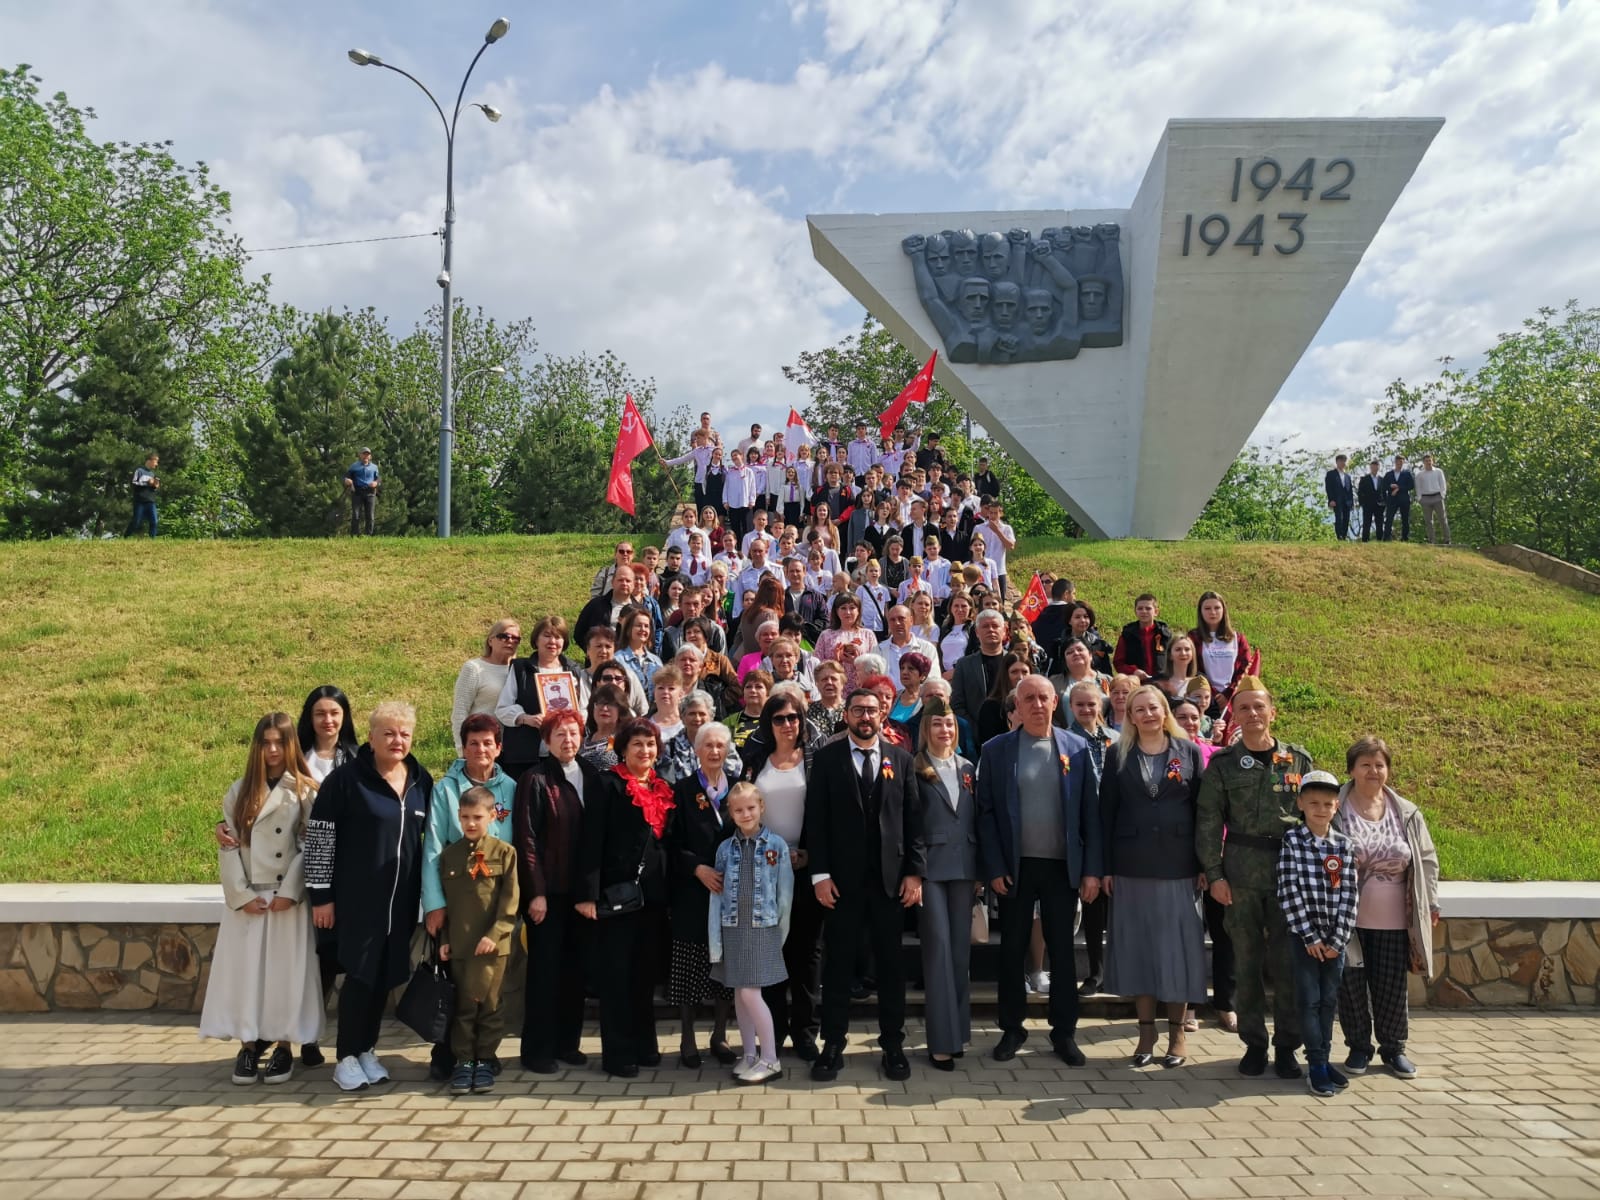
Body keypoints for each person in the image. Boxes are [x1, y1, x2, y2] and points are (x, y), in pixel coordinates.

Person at [306, 701, 433, 1091]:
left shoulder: (420, 780)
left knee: (383, 978)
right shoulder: (346, 781)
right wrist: (321, 897)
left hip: (401, 903)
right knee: (360, 977)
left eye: (405, 734)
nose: (397, 741)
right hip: (356, 902)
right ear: (371, 737)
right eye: (389, 733)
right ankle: (345, 1057)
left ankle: (366, 1050)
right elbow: (320, 840)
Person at [975, 675, 1101, 1066]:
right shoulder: (996, 750)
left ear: (1054, 702)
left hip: (1062, 867)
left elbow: (1090, 813)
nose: (1036, 705)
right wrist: (994, 865)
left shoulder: (1077, 748)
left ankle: (1064, 1033)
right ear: (1017, 705)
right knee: (1012, 950)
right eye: (1028, 698)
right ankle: (1012, 1028)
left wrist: (1092, 871)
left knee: (1062, 952)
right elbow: (985, 814)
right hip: (1015, 868)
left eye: (1043, 697)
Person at [1195, 676, 1314, 1079]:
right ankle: (1254, 1044)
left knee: (1287, 965)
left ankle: (1287, 1046)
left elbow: (1315, 816)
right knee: (1245, 964)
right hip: (1241, 874)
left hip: (1287, 875)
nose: (1252, 714)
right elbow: (1208, 822)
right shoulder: (1223, 764)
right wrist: (1214, 874)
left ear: (1272, 712)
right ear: (1235, 715)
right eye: (1243, 707)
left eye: (1259, 706)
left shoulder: (1298, 761)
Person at [804, 687, 925, 1082]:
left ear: (882, 715)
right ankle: (832, 1044)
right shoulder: (827, 759)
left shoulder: (901, 759)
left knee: (890, 966)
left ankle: (893, 1044)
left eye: (872, 710)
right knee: (838, 965)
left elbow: (913, 820)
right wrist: (820, 875)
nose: (865, 717)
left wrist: (914, 872)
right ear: (847, 715)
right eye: (858, 710)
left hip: (891, 883)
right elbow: (816, 820)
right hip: (841, 883)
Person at [199, 713, 322, 1085]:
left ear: (291, 745)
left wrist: (290, 892)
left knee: (285, 975)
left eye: (279, 742)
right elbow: (229, 846)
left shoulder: (306, 791)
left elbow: (310, 845)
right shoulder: (239, 791)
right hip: (250, 898)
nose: (272, 750)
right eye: (265, 742)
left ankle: (284, 1046)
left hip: (286, 899)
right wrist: (241, 895)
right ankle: (248, 1046)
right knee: (246, 975)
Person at [1098, 687, 1208, 1069]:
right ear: (1130, 716)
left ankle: (1177, 1034)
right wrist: (1106, 866)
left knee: (1177, 951)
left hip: (1179, 865)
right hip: (1131, 866)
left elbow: (1203, 812)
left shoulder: (1188, 751)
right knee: (1139, 951)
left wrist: (1205, 864)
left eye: (1153, 708)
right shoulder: (1117, 754)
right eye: (1139, 709)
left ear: (1165, 712)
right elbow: (1106, 813)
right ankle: (1146, 1033)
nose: (1147, 714)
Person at [1335, 735, 1440, 1080]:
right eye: (1365, 764)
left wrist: (1431, 902)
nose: (1373, 771)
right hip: (1346, 918)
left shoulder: (1405, 812)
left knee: (1391, 986)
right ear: (1351, 770)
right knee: (1351, 985)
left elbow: (1427, 859)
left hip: (1394, 918)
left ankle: (1394, 1049)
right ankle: (1358, 1047)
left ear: (1388, 770)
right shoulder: (1336, 807)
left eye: (1379, 765)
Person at [420, 712, 517, 1078]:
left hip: (496, 897)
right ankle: (450, 1054)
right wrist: (435, 905)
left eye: (487, 743)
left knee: (490, 988)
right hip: (457, 894)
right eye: (473, 743)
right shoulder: (446, 788)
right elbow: (433, 847)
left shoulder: (511, 787)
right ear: (463, 747)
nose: (480, 750)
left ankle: (485, 1054)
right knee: (455, 985)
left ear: (499, 748)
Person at [577, 718, 675, 1077]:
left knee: (644, 977)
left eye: (650, 744)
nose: (645, 751)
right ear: (623, 749)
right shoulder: (607, 784)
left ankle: (645, 1045)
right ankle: (618, 1054)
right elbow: (591, 840)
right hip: (616, 896)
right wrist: (587, 894)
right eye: (637, 744)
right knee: (617, 977)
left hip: (654, 898)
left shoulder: (663, 787)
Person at [513, 710, 598, 1074]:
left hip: (581, 895)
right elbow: (527, 839)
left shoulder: (592, 775)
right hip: (548, 895)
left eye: (574, 733)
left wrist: (592, 890)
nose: (568, 740)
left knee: (575, 972)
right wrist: (536, 892)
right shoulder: (535, 779)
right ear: (546, 741)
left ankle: (568, 1043)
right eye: (560, 734)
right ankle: (537, 1050)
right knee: (545, 974)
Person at [1277, 770, 1359, 1097]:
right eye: (1313, 803)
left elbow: (1350, 894)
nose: (1321, 809)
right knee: (1309, 1001)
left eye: (1327, 804)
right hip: (1304, 940)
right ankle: (1315, 1065)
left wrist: (1338, 940)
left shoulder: (1344, 845)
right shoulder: (1293, 841)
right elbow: (1288, 890)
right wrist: (1310, 937)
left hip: (1334, 941)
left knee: (1328, 1002)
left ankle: (1324, 1059)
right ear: (1300, 804)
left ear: (1336, 806)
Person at [708, 782, 795, 1084]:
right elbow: (716, 897)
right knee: (739, 994)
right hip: (733, 928)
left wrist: (779, 934)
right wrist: (715, 938)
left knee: (750, 992)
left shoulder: (776, 846)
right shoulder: (724, 849)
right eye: (738, 810)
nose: (745, 814)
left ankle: (770, 1058)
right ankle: (748, 1054)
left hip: (763, 929)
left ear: (761, 808)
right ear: (731, 814)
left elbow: (785, 895)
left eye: (750, 808)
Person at [437, 785, 519, 1095]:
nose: (471, 823)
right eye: (465, 817)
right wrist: (445, 938)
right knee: (463, 1006)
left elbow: (510, 902)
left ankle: (485, 1058)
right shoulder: (450, 855)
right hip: (461, 944)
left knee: (489, 1005)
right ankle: (464, 1061)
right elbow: (448, 904)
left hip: (493, 947)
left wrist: (495, 934)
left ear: (492, 816)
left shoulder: (505, 853)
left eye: (477, 817)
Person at [666, 722, 738, 1070]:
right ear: (696, 750)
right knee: (689, 969)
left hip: (729, 893)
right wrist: (697, 869)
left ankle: (720, 1035)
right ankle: (687, 1038)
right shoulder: (681, 790)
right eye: (707, 745)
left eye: (720, 745)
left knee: (725, 970)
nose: (714, 751)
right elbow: (670, 843)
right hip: (693, 892)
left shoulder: (738, 789)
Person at [913, 698, 979, 1070]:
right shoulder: (915, 767)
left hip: (965, 867)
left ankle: (959, 1033)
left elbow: (976, 818)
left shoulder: (968, 767)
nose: (945, 730)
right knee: (938, 951)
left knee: (959, 954)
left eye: (950, 724)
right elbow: (910, 823)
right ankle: (941, 1041)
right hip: (931, 870)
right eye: (937, 724)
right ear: (926, 729)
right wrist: (913, 871)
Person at [1062, 680, 1113, 996]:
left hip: (1116, 833)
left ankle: (1118, 970)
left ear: (1101, 705)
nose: (1085, 709)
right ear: (1070, 707)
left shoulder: (1117, 740)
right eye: (1079, 704)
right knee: (1089, 907)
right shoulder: (1063, 742)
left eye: (1091, 704)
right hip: (1078, 834)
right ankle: (1095, 971)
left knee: (1114, 907)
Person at [496, 616, 591, 782]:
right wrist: (526, 718)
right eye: (547, 635)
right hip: (525, 757)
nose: (552, 641)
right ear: (536, 639)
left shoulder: (573, 670)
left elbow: (584, 710)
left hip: (563, 755)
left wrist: (571, 721)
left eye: (558, 637)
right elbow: (503, 708)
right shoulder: (520, 669)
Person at [453, 619, 522, 758]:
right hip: (481, 749)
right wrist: (463, 751)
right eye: (504, 636)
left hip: (513, 751)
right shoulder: (474, 668)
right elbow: (460, 712)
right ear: (490, 640)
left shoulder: (520, 670)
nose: (510, 641)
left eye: (516, 639)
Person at [1190, 591, 1256, 708]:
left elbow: (1245, 668)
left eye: (1217, 608)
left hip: (1233, 698)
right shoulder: (1193, 637)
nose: (1213, 612)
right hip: (1204, 698)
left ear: (1223, 610)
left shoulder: (1238, 639)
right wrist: (1212, 693)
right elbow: (1192, 668)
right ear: (1200, 611)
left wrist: (1228, 694)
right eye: (1207, 608)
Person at [950, 609, 1010, 721]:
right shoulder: (964, 665)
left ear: (1004, 631)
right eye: (985, 626)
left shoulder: (1014, 662)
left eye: (995, 626)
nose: (991, 630)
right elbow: (957, 704)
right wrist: (972, 727)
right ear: (977, 632)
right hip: (976, 728)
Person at [813, 594, 878, 690]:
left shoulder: (868, 635)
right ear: (836, 611)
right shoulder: (826, 635)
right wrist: (835, 661)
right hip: (834, 688)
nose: (848, 612)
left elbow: (876, 666)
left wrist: (857, 661)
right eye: (843, 608)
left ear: (858, 610)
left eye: (852, 608)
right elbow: (816, 665)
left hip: (861, 689)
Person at [976, 651, 1032, 748]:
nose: (1020, 677)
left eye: (1024, 672)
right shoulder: (991, 706)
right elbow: (989, 745)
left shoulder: (1037, 704)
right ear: (1005, 675)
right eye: (1014, 672)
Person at [575, 565, 637, 650]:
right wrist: (592, 652)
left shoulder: (639, 610)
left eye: (628, 581)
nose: (624, 583)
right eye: (620, 580)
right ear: (612, 582)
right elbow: (579, 633)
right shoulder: (595, 605)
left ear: (634, 585)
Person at [1112, 593, 1172, 682]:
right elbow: (1118, 663)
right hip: (1136, 682)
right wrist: (1133, 671)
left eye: (1148, 608)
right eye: (1140, 608)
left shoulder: (1165, 635)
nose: (1144, 611)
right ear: (1135, 611)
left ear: (1156, 612)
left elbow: (1175, 660)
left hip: (1162, 683)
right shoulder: (1127, 635)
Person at [615, 605, 664, 693]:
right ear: (628, 629)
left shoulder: (656, 661)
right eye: (638, 625)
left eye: (646, 626)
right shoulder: (617, 659)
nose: (643, 629)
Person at [581, 683, 629, 770]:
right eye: (600, 703)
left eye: (611, 704)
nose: (604, 708)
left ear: (621, 709)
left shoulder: (624, 741)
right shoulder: (582, 741)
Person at [978, 498, 1016, 599]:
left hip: (999, 571)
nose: (993, 516)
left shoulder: (1007, 529)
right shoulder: (979, 528)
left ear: (1001, 513)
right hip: (982, 570)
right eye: (991, 513)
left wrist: (997, 531)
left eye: (995, 513)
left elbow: (1011, 546)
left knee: (999, 601)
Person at [1065, 601, 1116, 676]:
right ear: (1069, 621)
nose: (1082, 620)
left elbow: (1107, 674)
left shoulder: (1099, 645)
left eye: (1086, 617)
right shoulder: (1059, 646)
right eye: (1077, 617)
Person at [806, 660, 847, 740]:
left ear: (842, 683)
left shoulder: (850, 709)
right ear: (817, 684)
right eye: (824, 679)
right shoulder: (808, 711)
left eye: (833, 679)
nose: (829, 682)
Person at [1414, 453, 1450, 545]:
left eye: (1430, 460)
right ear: (1423, 462)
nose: (1428, 462)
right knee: (1429, 521)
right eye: (1426, 461)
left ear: (1432, 461)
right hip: (1425, 498)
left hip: (1437, 496)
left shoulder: (1438, 471)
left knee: (1442, 519)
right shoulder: (1419, 475)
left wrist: (1442, 495)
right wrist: (1419, 498)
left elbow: (1443, 484)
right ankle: (1432, 540)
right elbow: (1418, 487)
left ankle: (1447, 539)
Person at [1155, 634, 1201, 705]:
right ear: (1170, 655)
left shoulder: (1199, 682)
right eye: (1178, 649)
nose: (1183, 653)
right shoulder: (1159, 684)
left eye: (1187, 649)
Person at [343, 448, 379, 536]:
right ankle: (355, 535)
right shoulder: (354, 466)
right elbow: (346, 476)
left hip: (370, 492)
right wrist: (347, 480)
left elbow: (378, 479)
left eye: (367, 454)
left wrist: (376, 483)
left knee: (370, 515)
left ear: (370, 456)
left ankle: (368, 535)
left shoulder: (374, 467)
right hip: (357, 492)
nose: (365, 456)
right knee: (356, 514)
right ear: (360, 455)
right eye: (364, 454)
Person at [938, 592, 976, 675]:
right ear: (951, 608)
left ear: (970, 608)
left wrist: (953, 672)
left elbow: (975, 655)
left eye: (964, 606)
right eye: (956, 606)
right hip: (944, 675)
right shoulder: (945, 629)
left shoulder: (974, 628)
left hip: (964, 674)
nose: (960, 609)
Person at [1381, 454, 1414, 542]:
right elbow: (1383, 487)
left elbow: (1411, 486)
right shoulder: (1389, 474)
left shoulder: (1407, 474)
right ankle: (1387, 537)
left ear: (1403, 463)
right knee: (1389, 518)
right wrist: (1390, 487)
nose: (1399, 464)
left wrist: (1399, 488)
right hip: (1392, 499)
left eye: (1401, 462)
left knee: (1405, 519)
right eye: (1398, 462)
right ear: (1395, 462)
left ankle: (1405, 538)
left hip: (1404, 499)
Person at [127, 452, 161, 537]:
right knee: (136, 522)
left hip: (150, 501)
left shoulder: (152, 474)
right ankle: (126, 537)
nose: (156, 464)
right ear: (149, 460)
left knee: (154, 521)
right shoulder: (139, 471)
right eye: (156, 461)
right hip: (140, 501)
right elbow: (134, 483)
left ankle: (152, 540)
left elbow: (151, 488)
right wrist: (147, 482)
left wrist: (155, 486)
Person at [1325, 454, 1355, 540]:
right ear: (1337, 462)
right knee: (1339, 519)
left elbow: (1350, 490)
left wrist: (1352, 502)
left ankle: (1344, 536)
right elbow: (1328, 488)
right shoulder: (1331, 474)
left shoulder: (1347, 476)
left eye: (1344, 461)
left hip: (1347, 501)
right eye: (1341, 461)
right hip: (1336, 501)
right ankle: (1339, 537)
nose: (1343, 463)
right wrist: (1331, 500)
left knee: (1346, 519)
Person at [1356, 458, 1385, 542]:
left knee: (1379, 523)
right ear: (1370, 467)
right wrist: (1362, 503)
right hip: (1368, 504)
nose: (1375, 468)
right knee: (1367, 522)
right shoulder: (1364, 479)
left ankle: (1380, 539)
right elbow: (1360, 492)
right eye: (1373, 466)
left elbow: (1384, 492)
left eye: (1376, 466)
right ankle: (1365, 540)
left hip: (1380, 505)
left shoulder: (1382, 479)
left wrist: (1384, 502)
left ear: (1378, 467)